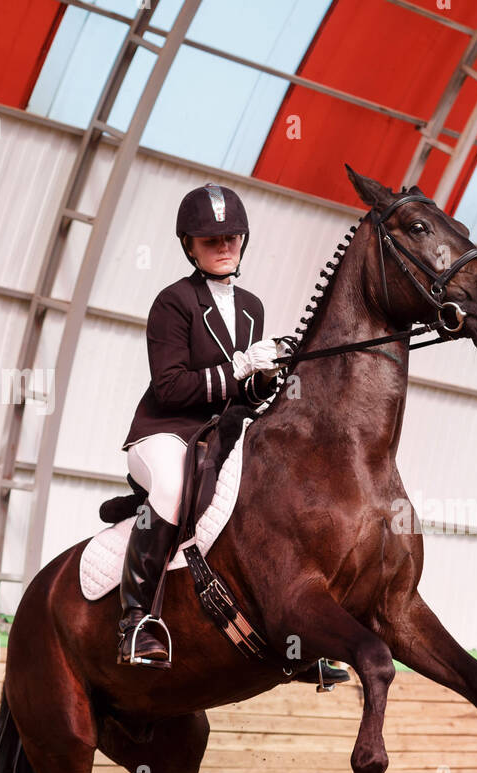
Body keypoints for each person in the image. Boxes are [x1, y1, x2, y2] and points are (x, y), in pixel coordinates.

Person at [117, 182, 348, 689]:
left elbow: (244, 394)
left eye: (232, 238)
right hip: (167, 432)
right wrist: (240, 365)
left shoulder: (252, 307)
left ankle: (298, 636)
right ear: (189, 246)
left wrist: (267, 373)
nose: (224, 247)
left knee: (277, 493)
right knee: (173, 490)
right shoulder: (172, 303)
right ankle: (137, 620)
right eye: (210, 240)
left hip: (223, 430)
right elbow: (171, 387)